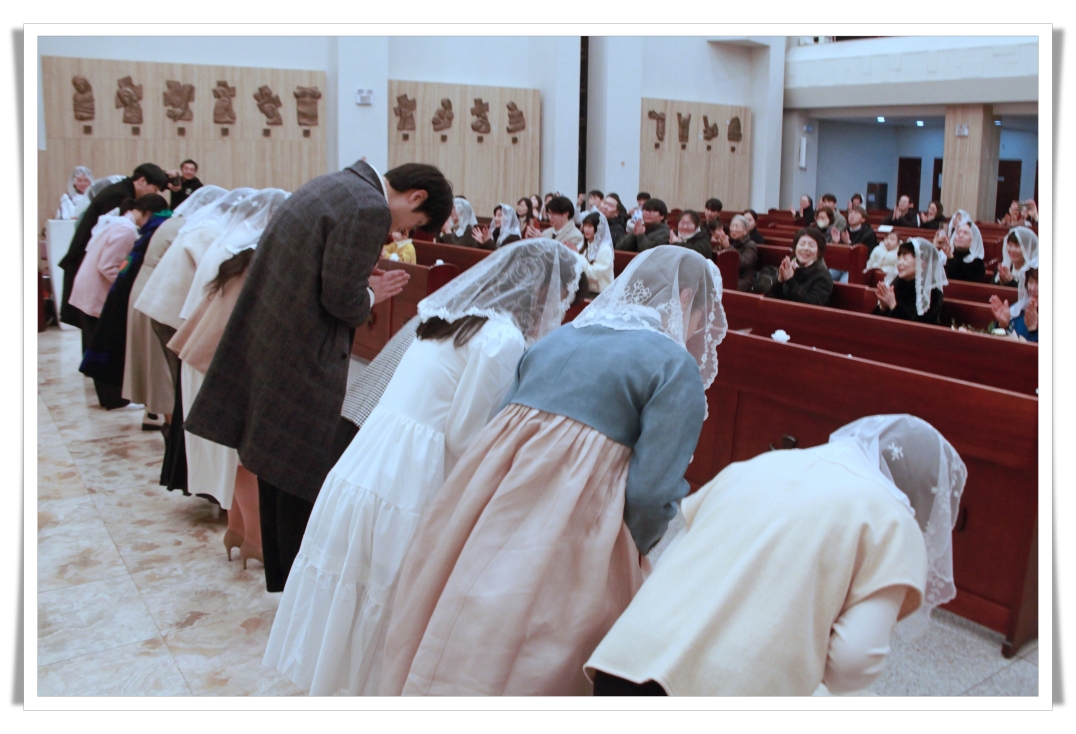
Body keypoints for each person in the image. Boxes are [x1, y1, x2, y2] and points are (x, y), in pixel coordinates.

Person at [380, 246, 727, 697]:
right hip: (576, 528)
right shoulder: (674, 365)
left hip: (488, 503)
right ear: (684, 300)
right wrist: (631, 553)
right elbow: (651, 491)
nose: (699, 329)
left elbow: (498, 425)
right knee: (534, 652)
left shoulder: (559, 338)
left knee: (467, 622)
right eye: (703, 315)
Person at [263, 239, 586, 696]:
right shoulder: (502, 338)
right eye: (560, 300)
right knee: (394, 593)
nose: (558, 312)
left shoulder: (451, 317)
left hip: (373, 454)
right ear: (538, 292)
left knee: (358, 584)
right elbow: (464, 434)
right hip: (413, 475)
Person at [183, 161, 452, 594]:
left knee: (273, 462)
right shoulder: (370, 208)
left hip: (275, 343)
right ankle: (298, 586)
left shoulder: (338, 185)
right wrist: (371, 294)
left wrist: (359, 277)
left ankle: (279, 574)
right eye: (413, 223)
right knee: (299, 474)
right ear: (416, 196)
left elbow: (319, 268)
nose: (401, 232)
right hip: (303, 356)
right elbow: (341, 300)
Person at [585, 414, 965, 696]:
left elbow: (676, 560)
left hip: (623, 662)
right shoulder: (895, 520)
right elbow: (852, 665)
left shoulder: (762, 464)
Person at [135, 188, 255, 494]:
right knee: (187, 401)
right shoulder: (221, 237)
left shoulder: (214, 230)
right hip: (182, 321)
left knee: (183, 398)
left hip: (177, 316)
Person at [167, 233, 266, 566]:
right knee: (243, 459)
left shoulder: (245, 260)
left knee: (232, 458)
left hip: (202, 363)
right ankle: (255, 540)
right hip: (216, 368)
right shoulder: (264, 270)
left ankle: (238, 530)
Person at [123, 185, 229, 425]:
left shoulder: (181, 222)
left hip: (152, 290)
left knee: (158, 371)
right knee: (164, 377)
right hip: (164, 299)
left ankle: (162, 420)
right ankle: (172, 428)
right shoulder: (202, 229)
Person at [78, 194, 172, 409]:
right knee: (106, 346)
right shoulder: (126, 230)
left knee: (100, 343)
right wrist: (125, 287)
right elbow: (109, 266)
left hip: (90, 289)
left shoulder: (120, 223)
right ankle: (113, 399)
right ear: (149, 213)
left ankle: (112, 398)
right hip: (98, 291)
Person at [59, 162, 170, 332]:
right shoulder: (120, 206)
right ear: (141, 181)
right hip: (89, 274)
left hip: (89, 272)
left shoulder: (122, 199)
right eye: (154, 189)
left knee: (92, 335)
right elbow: (107, 265)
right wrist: (128, 285)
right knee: (95, 336)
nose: (153, 193)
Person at [873, 238, 945, 325]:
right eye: (899, 258)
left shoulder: (932, 293)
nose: (899, 263)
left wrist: (893, 306)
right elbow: (874, 323)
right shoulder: (896, 284)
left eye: (905, 259)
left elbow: (921, 328)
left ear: (922, 263)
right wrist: (882, 307)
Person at [766, 227, 833, 306]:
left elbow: (811, 305)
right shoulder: (790, 266)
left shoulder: (823, 276)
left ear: (819, 251)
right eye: (802, 244)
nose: (806, 248)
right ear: (795, 247)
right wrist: (780, 280)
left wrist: (790, 280)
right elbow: (769, 300)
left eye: (811, 245)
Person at [935, 210, 985, 283]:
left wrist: (950, 258)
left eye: (965, 233)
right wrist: (934, 248)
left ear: (973, 240)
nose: (960, 235)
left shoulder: (977, 263)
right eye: (958, 232)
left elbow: (959, 283)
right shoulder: (944, 256)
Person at [990, 267, 1039, 343]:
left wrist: (1033, 331)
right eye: (1030, 281)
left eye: (1038, 283)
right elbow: (997, 344)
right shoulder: (1017, 310)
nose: (1032, 288)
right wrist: (1003, 325)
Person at [712, 214, 758, 292]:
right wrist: (721, 247)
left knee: (727, 287)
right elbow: (713, 258)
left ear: (745, 231)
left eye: (737, 226)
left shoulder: (750, 244)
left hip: (743, 278)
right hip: (726, 275)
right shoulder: (729, 241)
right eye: (732, 226)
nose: (733, 229)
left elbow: (744, 263)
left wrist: (728, 247)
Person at [578, 211, 615, 293]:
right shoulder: (585, 244)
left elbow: (594, 274)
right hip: (585, 289)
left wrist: (578, 256)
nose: (586, 229)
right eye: (585, 226)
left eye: (590, 226)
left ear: (599, 228)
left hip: (600, 293)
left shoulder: (605, 249)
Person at [995, 226, 1038, 296]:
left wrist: (1011, 281)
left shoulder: (1033, 273)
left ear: (1027, 249)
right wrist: (1001, 282)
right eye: (1010, 245)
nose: (1012, 250)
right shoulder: (1004, 267)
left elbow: (1027, 297)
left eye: (1017, 246)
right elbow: (991, 291)